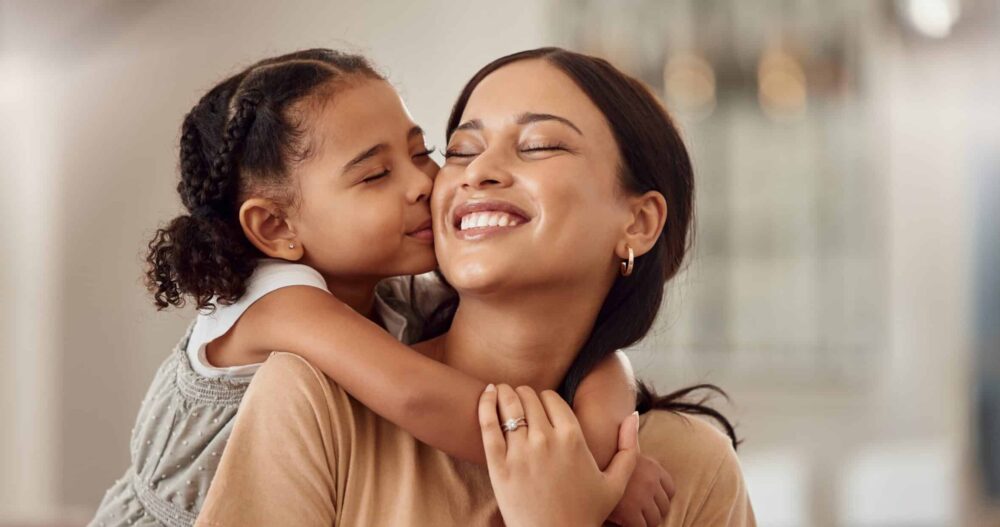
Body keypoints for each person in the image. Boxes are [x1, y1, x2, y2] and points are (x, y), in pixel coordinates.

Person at [90, 48, 669, 527]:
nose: (424, 183)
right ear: (276, 227)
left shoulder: (393, 296)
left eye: (423, 153)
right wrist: (579, 470)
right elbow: (419, 397)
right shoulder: (280, 307)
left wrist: (607, 421)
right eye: (374, 175)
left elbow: (581, 342)